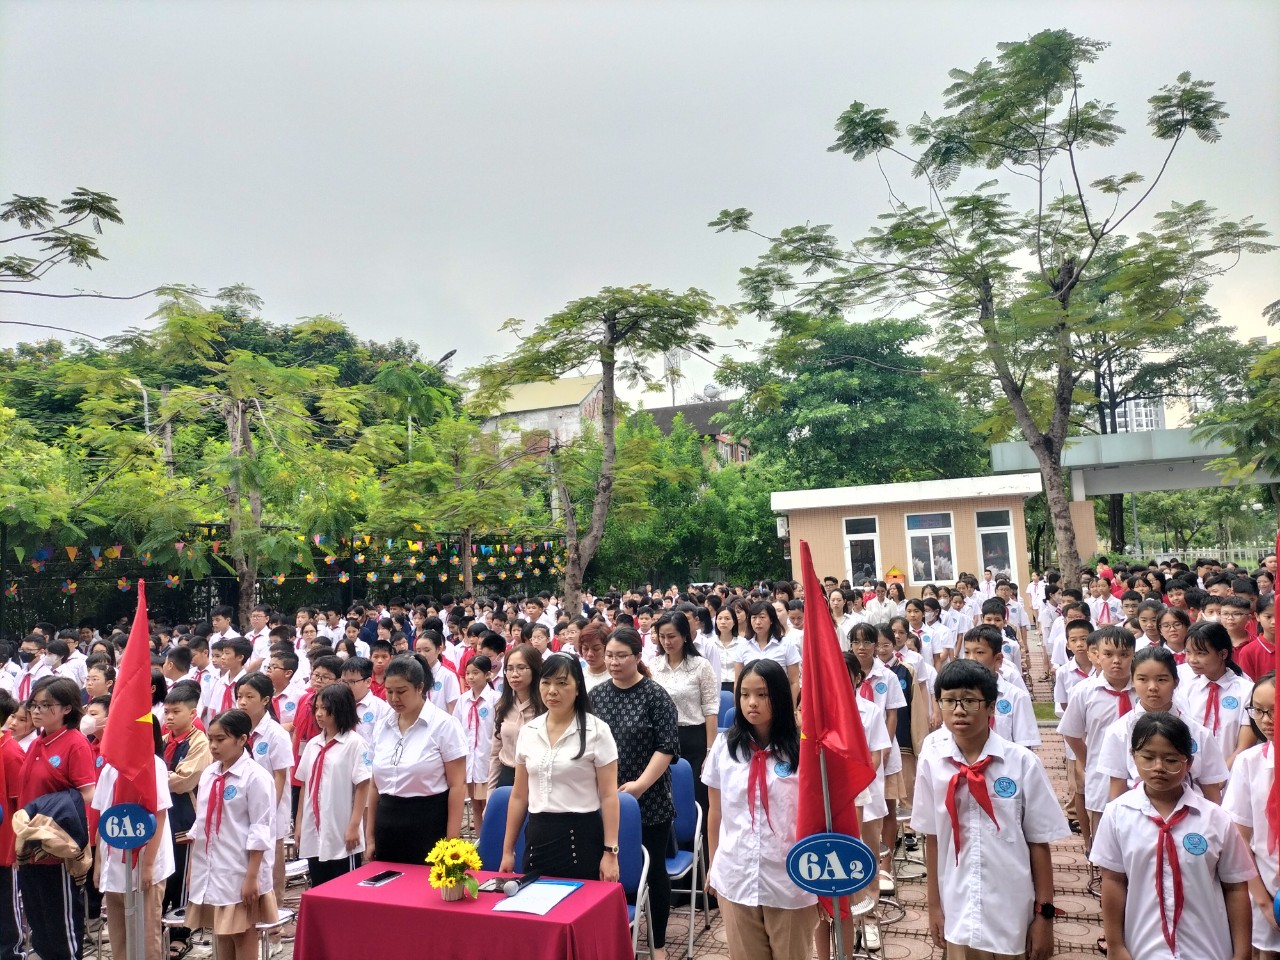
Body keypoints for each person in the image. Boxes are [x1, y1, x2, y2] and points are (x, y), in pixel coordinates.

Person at [912, 659, 1068, 960]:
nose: (959, 710)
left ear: (991, 707)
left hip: (1011, 911)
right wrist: (934, 907)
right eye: (949, 700)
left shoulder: (1021, 763)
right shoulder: (933, 763)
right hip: (958, 908)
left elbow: (1038, 843)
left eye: (970, 700)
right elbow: (932, 838)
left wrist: (1044, 916)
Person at [1091, 712, 1254, 960]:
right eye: (1148, 757)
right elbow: (1113, 881)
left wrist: (1242, 954)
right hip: (1143, 950)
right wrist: (1115, 945)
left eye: (1170, 759)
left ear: (1188, 763)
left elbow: (1235, 889)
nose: (1158, 767)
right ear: (1133, 757)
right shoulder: (1117, 815)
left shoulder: (1215, 819)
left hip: (1207, 951)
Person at [703, 659, 815, 960]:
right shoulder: (725, 747)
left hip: (789, 879)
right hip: (736, 874)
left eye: (762, 694)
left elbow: (817, 814)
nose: (751, 703)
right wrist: (714, 864)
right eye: (744, 694)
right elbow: (716, 811)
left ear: (779, 696)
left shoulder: (803, 749)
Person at [592, 627, 680, 960]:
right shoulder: (596, 696)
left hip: (650, 799)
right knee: (607, 868)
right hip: (605, 799)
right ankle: (612, 938)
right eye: (609, 656)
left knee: (652, 870)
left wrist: (640, 785)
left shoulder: (655, 696)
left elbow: (667, 747)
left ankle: (658, 944)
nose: (613, 662)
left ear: (638, 657)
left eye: (621, 656)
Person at [500, 653, 620, 882]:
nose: (552, 691)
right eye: (546, 682)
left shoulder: (597, 731)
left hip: (581, 839)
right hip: (538, 836)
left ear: (578, 687)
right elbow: (519, 795)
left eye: (562, 683)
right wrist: (508, 850)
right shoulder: (529, 731)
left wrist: (610, 852)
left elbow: (608, 796)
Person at [186, 709, 278, 960]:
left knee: (242, 933)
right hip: (212, 867)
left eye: (221, 739)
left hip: (239, 868)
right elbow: (202, 823)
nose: (213, 746)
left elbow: (260, 829)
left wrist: (252, 877)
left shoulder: (256, 777)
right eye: (210, 739)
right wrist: (194, 867)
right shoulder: (209, 774)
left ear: (242, 739)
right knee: (221, 932)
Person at [17, 677, 96, 960]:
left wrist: (51, 817)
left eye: (46, 705)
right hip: (30, 847)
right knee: (40, 926)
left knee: (61, 928)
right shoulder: (36, 743)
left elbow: (87, 794)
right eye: (33, 704)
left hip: (58, 850)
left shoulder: (74, 743)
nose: (36, 711)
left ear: (66, 708)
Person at [367, 653, 467, 865]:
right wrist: (370, 836)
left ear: (419, 687)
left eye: (401, 691)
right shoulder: (382, 726)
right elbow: (374, 785)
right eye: (389, 691)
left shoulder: (443, 725)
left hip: (428, 824)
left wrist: (452, 843)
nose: (394, 698)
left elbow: (457, 786)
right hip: (387, 824)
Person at [1096, 646, 1227, 803]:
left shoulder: (1199, 733)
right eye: (1143, 679)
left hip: (1190, 814)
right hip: (1137, 813)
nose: (1152, 687)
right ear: (1133, 681)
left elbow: (1212, 794)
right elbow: (1117, 790)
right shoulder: (1118, 732)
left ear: (1176, 682)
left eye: (1162, 679)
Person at [92, 718, 173, 960]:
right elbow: (104, 816)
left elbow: (159, 815)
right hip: (113, 863)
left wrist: (148, 865)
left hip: (145, 863)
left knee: (145, 938)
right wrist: (99, 862)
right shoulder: (110, 768)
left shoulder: (154, 765)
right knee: (119, 938)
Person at [1059, 625, 1138, 848]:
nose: (1116, 661)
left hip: (1140, 776)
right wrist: (1090, 761)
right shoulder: (1085, 691)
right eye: (1108, 654)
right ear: (1097, 655)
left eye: (1124, 654)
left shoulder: (1143, 690)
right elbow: (1071, 733)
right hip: (1102, 777)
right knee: (1104, 841)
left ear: (1133, 655)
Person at [1222, 671, 1280, 959]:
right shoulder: (1249, 762)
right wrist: (1264, 902)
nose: (1266, 720)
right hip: (1264, 888)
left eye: (1274, 710)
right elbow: (1240, 838)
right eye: (1258, 710)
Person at [295, 683, 372, 886]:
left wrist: (354, 826)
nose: (319, 714)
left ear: (340, 709)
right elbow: (305, 786)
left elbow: (363, 786)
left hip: (341, 829)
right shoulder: (313, 745)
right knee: (319, 885)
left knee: (344, 887)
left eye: (325, 708)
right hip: (314, 829)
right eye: (317, 708)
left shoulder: (355, 743)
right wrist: (300, 823)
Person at [648, 612, 719, 817]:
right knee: (664, 795)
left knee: (695, 798)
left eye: (672, 636)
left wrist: (710, 751)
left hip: (693, 738)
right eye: (662, 637)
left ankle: (698, 836)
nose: (666, 642)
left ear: (685, 636)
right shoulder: (654, 666)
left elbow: (710, 709)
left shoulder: (700, 666)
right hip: (661, 739)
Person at [162, 681, 211, 959]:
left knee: (182, 876)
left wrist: (156, 776)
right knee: (165, 873)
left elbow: (184, 780)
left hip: (185, 814)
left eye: (175, 712)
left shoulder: (199, 742)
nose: (169, 717)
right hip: (164, 813)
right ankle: (161, 927)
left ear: (192, 714)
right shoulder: (164, 740)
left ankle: (182, 934)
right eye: (166, 712)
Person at [1175, 619, 1251, 765]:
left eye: (1201, 653)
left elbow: (1244, 746)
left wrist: (1222, 775)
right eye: (1188, 652)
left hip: (1233, 773)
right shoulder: (1185, 691)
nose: (1192, 660)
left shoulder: (1246, 690)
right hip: (1194, 773)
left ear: (1223, 654)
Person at [488, 644, 543, 790]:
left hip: (536, 779)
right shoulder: (502, 706)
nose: (514, 674)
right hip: (506, 776)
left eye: (521, 668)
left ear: (535, 669)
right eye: (510, 669)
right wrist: (491, 793)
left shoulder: (545, 708)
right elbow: (495, 754)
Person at [453, 654, 499, 829]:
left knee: (489, 806)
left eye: (475, 673)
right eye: (468, 673)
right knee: (475, 807)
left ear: (487, 675)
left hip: (486, 761)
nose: (470, 677)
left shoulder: (496, 699)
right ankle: (481, 841)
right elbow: (457, 728)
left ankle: (490, 840)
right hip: (469, 762)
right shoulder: (463, 700)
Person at [0, 691, 26, 960]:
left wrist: (17, 844)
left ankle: (11, 952)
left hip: (4, 844)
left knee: (6, 903)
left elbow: (21, 803)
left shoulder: (10, 752)